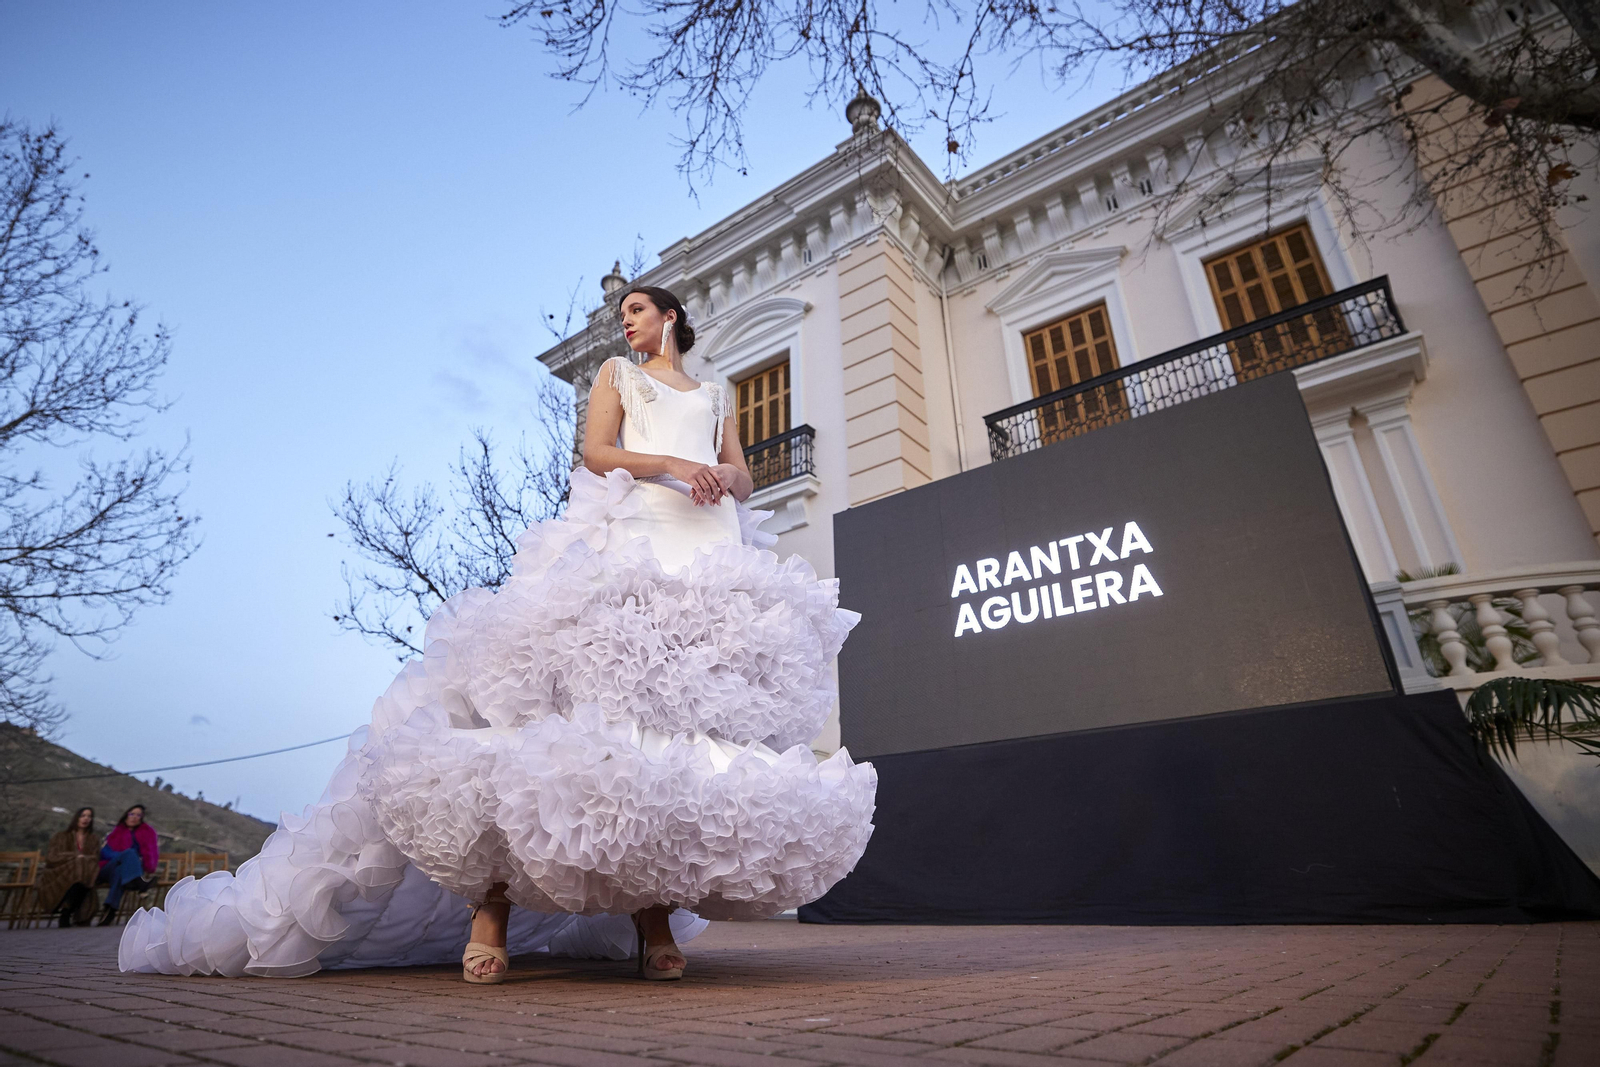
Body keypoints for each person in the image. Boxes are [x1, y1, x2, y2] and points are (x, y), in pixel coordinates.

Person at [120, 284, 875, 981]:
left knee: (671, 745)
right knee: (557, 726)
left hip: (709, 560)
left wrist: (723, 478)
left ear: (670, 317)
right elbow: (597, 453)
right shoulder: (617, 372)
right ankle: (493, 909)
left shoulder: (715, 395)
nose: (628, 320)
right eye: (626, 314)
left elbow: (740, 472)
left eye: (639, 310)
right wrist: (679, 464)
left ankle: (653, 921)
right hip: (632, 548)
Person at [37, 807, 102, 927]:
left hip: (86, 874)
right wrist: (75, 857)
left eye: (89, 816)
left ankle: (66, 911)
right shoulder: (61, 836)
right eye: (83, 815)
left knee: (83, 869)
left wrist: (82, 859)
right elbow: (52, 857)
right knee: (79, 866)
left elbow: (95, 858)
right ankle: (67, 911)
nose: (86, 819)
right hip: (61, 872)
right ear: (76, 817)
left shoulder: (93, 839)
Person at [97, 804, 158, 925]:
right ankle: (140, 883)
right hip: (107, 868)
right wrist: (123, 857)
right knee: (129, 853)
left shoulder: (144, 834)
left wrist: (127, 861)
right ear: (126, 815)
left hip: (123, 872)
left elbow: (148, 853)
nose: (134, 817)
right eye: (132, 814)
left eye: (138, 815)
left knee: (120, 872)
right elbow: (105, 853)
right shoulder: (115, 833)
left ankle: (110, 910)